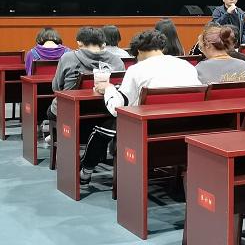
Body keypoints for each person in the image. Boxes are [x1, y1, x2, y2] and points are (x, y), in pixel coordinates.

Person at [80, 30, 201, 184]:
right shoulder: (187, 65)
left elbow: (117, 108)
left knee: (103, 128)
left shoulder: (136, 69)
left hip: (148, 128)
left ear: (138, 51)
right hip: (187, 126)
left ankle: (85, 172)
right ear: (162, 47)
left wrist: (108, 88)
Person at [47, 27, 125, 130]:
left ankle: (57, 135)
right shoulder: (117, 61)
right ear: (103, 43)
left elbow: (56, 88)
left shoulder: (68, 58)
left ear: (79, 43)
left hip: (70, 110)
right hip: (106, 111)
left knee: (51, 109)